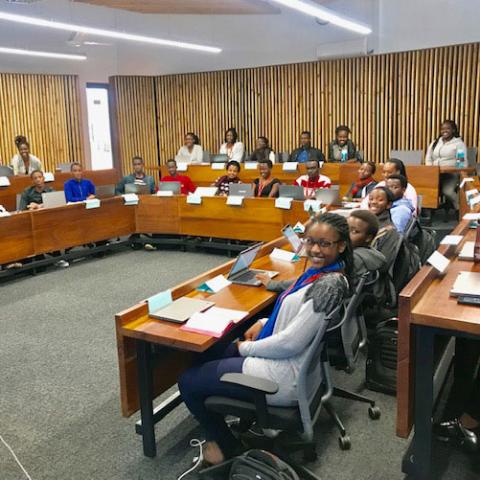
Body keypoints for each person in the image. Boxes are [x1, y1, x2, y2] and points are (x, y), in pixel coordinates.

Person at [178, 212, 351, 465]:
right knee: (211, 353)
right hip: (300, 368)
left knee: (187, 381)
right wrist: (261, 322)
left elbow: (291, 342)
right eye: (310, 241)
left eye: (325, 244)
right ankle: (229, 411)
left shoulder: (328, 285)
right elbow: (295, 307)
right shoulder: (323, 274)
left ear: (342, 246)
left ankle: (226, 447)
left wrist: (245, 347)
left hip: (281, 375)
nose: (315, 249)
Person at [425, 120, 467, 211]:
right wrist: (430, 170)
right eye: (442, 129)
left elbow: (461, 162)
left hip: (450, 174)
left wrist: (455, 171)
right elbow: (428, 158)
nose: (445, 131)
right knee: (425, 188)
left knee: (447, 191)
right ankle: (427, 212)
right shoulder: (435, 142)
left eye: (448, 128)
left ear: (454, 130)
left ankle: (460, 209)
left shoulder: (458, 144)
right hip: (434, 174)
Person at [368, 187, 402, 267]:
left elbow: (384, 264)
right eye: (371, 199)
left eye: (380, 200)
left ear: (388, 205)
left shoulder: (390, 231)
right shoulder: (367, 222)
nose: (373, 202)